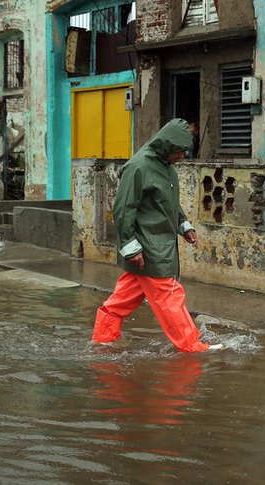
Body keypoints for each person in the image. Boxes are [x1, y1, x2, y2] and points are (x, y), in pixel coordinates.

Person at [92, 118, 222, 352]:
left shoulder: (167, 168)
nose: (183, 156)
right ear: (168, 146)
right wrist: (131, 247)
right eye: (181, 151)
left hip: (157, 245)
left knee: (122, 299)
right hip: (150, 248)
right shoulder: (138, 167)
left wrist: (184, 226)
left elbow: (169, 204)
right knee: (170, 296)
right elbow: (123, 210)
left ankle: (102, 338)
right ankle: (192, 347)